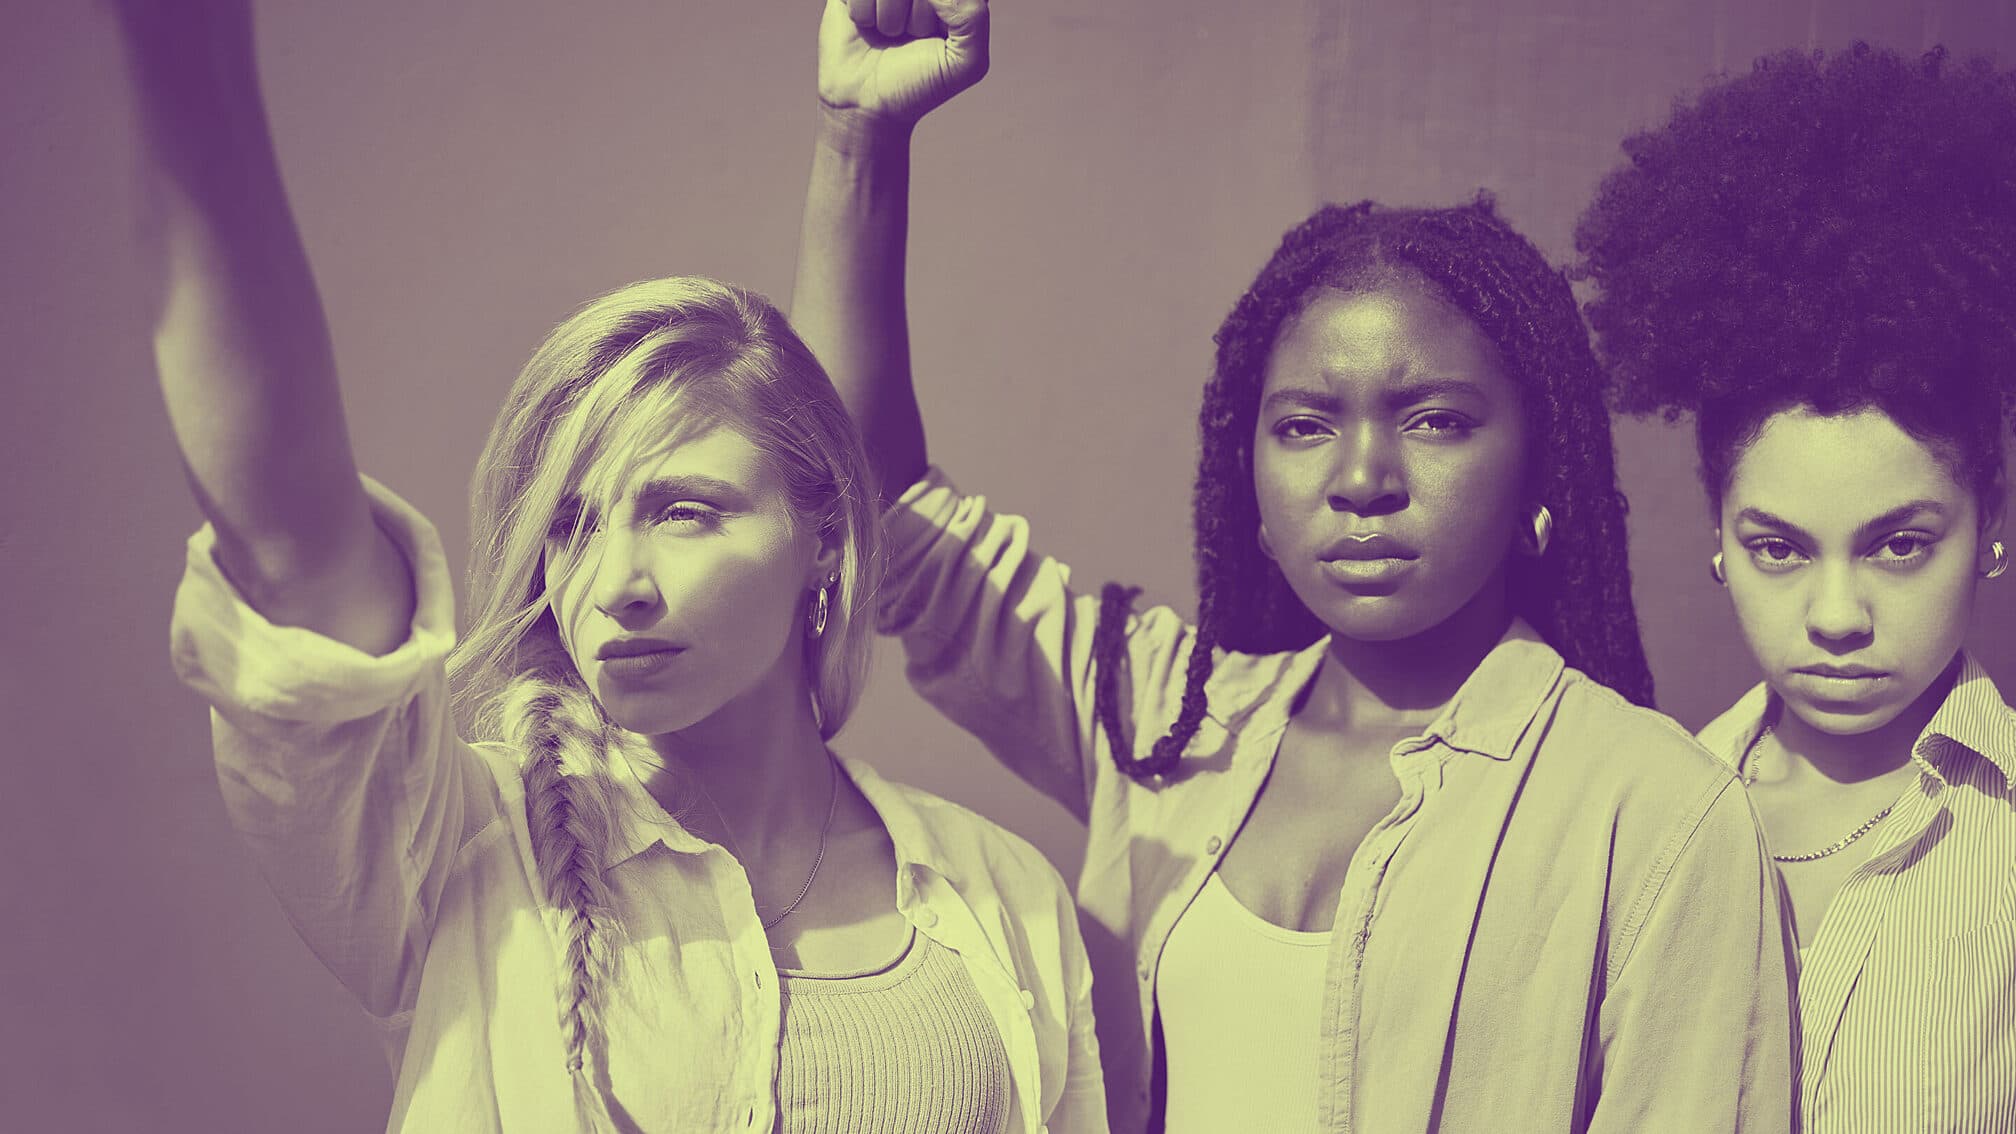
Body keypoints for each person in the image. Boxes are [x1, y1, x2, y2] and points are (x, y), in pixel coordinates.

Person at [791, 1, 1794, 1130]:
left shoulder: (1654, 812)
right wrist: (856, 139)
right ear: (1249, 486)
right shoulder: (1172, 723)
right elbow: (864, 498)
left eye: (1435, 421)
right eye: (1307, 425)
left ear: (1539, 470)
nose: (1362, 477)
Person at [118, 3, 1103, 1130]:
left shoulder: (1002, 897)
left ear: (826, 535)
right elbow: (289, 535)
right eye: (574, 525)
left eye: (684, 510)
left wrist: (856, 138)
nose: (615, 582)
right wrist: (182, 63)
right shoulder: (463, 850)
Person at [1577, 42, 2016, 1131]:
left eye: (1899, 545)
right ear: (1719, 539)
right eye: (1779, 547)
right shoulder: (1636, 819)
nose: (1835, 617)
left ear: (1993, 533)